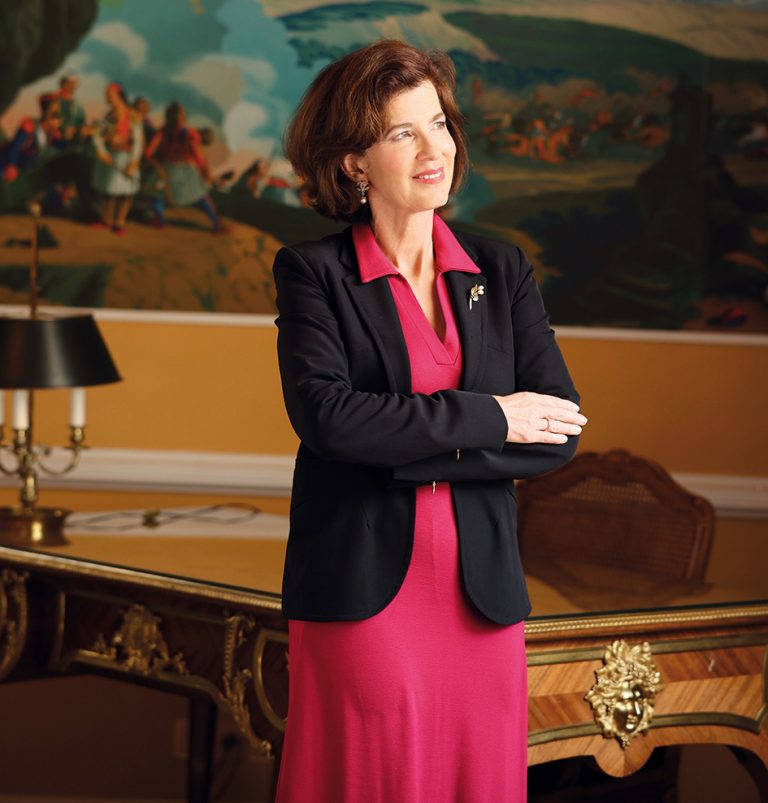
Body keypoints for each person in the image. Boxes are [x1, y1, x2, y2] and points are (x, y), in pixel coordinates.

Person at [272, 40, 587, 803]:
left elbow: (559, 428)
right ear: (354, 161)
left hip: (483, 601)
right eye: (402, 132)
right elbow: (330, 419)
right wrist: (494, 417)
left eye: (439, 124)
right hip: (365, 594)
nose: (434, 149)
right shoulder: (314, 273)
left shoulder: (501, 269)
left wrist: (407, 445)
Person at [143, 101, 223, 232]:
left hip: (167, 170)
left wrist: (155, 162)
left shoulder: (163, 132)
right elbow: (198, 157)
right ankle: (217, 224)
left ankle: (159, 221)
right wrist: (205, 173)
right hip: (184, 170)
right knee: (201, 197)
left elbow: (148, 153)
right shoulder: (190, 133)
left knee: (154, 195)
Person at [91, 81, 143, 234]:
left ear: (118, 95)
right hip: (110, 156)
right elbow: (98, 136)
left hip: (126, 157)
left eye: (110, 95)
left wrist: (134, 162)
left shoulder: (132, 115)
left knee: (125, 192)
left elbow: (138, 141)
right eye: (107, 95)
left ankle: (120, 222)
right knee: (107, 190)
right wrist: (102, 151)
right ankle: (106, 220)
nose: (107, 97)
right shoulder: (109, 116)